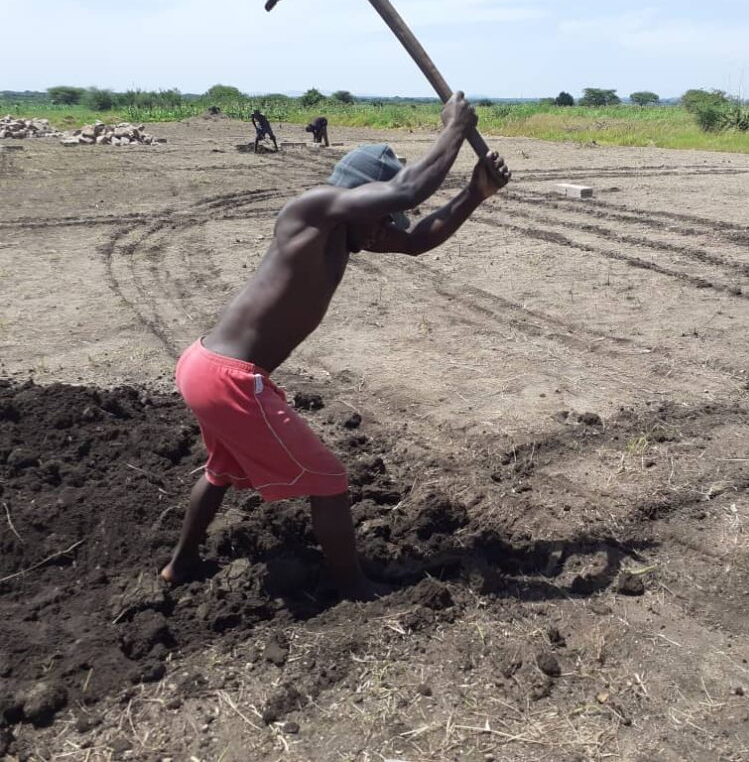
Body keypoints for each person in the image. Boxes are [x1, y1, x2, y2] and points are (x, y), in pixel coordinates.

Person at [162, 92, 510, 600]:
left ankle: (181, 565)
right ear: (360, 196)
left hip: (206, 367)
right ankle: (352, 585)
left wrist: (474, 193)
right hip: (228, 377)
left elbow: (415, 242)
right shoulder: (312, 211)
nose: (383, 232)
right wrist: (454, 128)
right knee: (328, 478)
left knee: (221, 470)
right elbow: (410, 188)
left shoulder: (347, 235)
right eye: (381, 216)